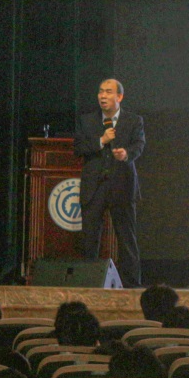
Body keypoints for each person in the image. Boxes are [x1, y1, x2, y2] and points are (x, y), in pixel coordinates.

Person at [74, 78, 145, 288]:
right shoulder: (87, 120)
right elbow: (78, 148)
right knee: (90, 236)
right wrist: (101, 141)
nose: (103, 96)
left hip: (122, 184)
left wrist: (126, 154)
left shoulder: (133, 120)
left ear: (119, 97)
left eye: (108, 92)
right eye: (100, 92)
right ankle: (88, 283)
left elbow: (139, 144)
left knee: (126, 237)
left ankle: (131, 284)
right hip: (94, 187)